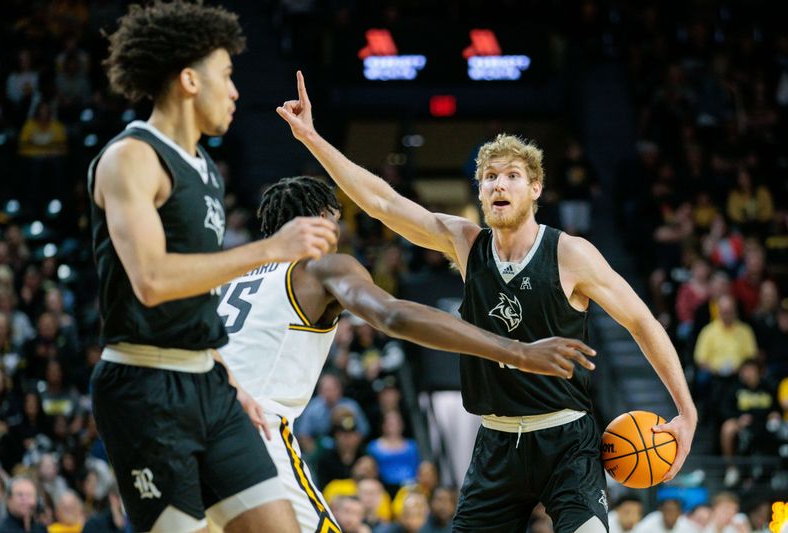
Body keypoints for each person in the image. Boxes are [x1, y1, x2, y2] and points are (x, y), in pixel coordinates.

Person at [277, 71, 698, 533]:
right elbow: (382, 202)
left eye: (512, 176)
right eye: (490, 177)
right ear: (479, 192)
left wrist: (686, 409)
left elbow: (642, 321)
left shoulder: (570, 253)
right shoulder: (465, 242)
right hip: (496, 442)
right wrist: (312, 138)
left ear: (534, 189)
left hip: (566, 439)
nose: (500, 185)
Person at [216, 175, 597, 532]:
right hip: (252, 425)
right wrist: (518, 352)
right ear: (321, 221)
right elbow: (391, 314)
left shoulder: (230, 276)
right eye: (336, 222)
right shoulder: (321, 266)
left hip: (186, 414)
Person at [88, 3, 338, 533]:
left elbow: (197, 295)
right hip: (145, 383)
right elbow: (153, 282)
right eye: (225, 75)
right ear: (188, 81)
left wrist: (229, 377)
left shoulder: (205, 170)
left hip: (211, 383)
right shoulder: (130, 157)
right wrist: (271, 250)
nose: (235, 91)